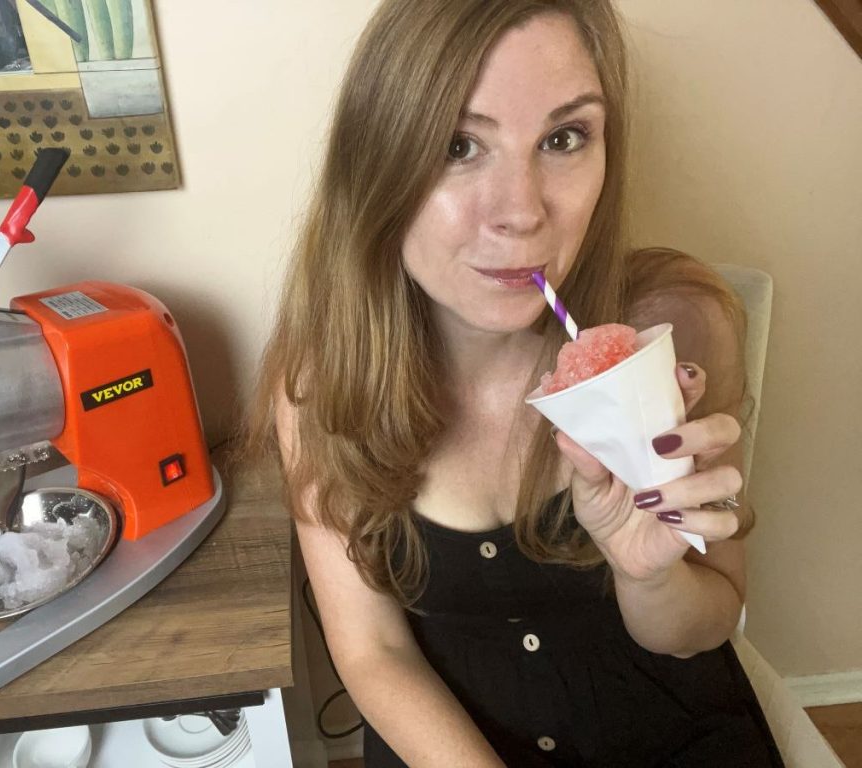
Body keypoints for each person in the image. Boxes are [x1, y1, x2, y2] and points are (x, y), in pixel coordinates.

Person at [247, 0, 784, 765]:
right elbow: (372, 653)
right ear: (378, 162)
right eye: (459, 144)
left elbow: (703, 626)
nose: (523, 213)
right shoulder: (322, 382)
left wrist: (649, 578)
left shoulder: (671, 333)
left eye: (565, 138)